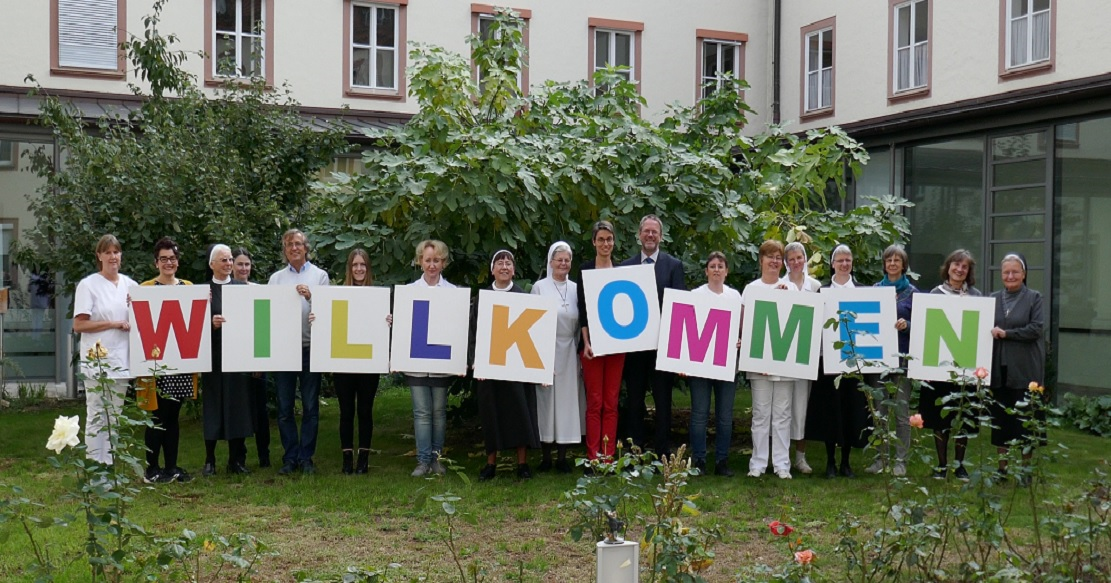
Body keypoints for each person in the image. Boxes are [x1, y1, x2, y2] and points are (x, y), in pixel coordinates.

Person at [619, 214, 686, 456]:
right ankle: (634, 450)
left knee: (663, 402)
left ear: (660, 236)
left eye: (654, 232)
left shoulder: (673, 266)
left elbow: (680, 309)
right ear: (639, 235)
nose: (650, 235)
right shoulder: (624, 267)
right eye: (646, 231)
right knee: (634, 400)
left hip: (662, 347)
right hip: (635, 348)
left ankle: (663, 452)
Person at [805, 244, 872, 478]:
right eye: (840, 260)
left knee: (850, 410)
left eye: (848, 260)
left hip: (854, 364)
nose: (845, 264)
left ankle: (846, 462)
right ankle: (830, 462)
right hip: (828, 362)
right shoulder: (821, 292)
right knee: (830, 412)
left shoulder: (865, 291)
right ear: (832, 263)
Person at [474, 250, 540, 481]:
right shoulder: (482, 299)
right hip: (489, 369)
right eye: (499, 262)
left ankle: (522, 464)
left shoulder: (524, 298)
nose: (504, 266)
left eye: (508, 262)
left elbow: (534, 334)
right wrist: (478, 363)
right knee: (490, 413)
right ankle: (490, 464)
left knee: (519, 413)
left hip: (517, 366)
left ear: (513, 269)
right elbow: (475, 332)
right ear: (492, 269)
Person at [268, 229, 330, 475]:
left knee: (310, 407)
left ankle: (306, 458)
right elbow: (269, 313)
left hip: (310, 348)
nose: (294, 248)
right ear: (285, 250)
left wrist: (312, 296)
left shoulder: (320, 276)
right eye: (289, 244)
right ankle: (289, 457)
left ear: (306, 248)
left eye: (298, 244)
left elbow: (328, 312)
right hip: (283, 350)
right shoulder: (276, 279)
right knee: (284, 408)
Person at [73, 234, 137, 465]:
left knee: (115, 416)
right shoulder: (88, 285)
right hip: (97, 360)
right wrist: (113, 323)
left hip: (122, 360)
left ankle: (108, 467)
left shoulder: (131, 285)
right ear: (99, 256)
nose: (113, 257)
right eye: (107, 252)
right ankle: (94, 466)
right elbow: (79, 324)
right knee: (97, 415)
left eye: (116, 252)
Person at [138, 237, 197, 483]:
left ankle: (171, 467)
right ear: (156, 263)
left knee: (173, 417)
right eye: (163, 259)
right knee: (156, 416)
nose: (168, 263)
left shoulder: (188, 286)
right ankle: (152, 468)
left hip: (180, 365)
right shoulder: (145, 289)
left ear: (178, 261)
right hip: (154, 366)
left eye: (172, 258)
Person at [924, 249, 982, 480]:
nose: (959, 269)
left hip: (966, 368)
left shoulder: (976, 297)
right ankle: (941, 465)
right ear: (948, 267)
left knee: (963, 417)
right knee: (940, 419)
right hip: (939, 367)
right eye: (956, 265)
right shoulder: (934, 294)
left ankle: (960, 466)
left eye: (964, 266)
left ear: (968, 271)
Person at [741, 240, 795, 479]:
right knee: (761, 413)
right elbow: (745, 325)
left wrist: (787, 299)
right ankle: (758, 463)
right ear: (761, 260)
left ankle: (782, 464)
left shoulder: (791, 288)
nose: (774, 261)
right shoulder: (751, 289)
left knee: (783, 413)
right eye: (769, 257)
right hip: (758, 362)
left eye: (778, 257)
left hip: (784, 361)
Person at [989, 253, 1045, 485]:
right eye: (1006, 272)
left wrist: (1007, 334)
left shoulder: (1034, 298)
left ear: (1024, 274)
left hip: (1025, 369)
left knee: (1024, 423)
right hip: (999, 369)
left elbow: (1036, 329)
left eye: (1015, 272)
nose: (1010, 276)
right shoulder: (992, 298)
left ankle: (1025, 472)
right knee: (1001, 421)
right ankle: (1002, 470)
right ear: (1001, 275)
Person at [532, 241, 586, 473]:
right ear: (551, 262)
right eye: (559, 260)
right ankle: (546, 456)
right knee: (546, 403)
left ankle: (563, 457)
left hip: (569, 350)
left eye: (567, 260)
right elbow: (532, 322)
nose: (563, 264)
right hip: (547, 349)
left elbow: (582, 321)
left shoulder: (576, 288)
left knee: (566, 403)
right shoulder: (539, 287)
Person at [865, 244, 918, 477]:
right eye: (889, 260)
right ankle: (881, 458)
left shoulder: (913, 293)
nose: (893, 264)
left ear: (903, 264)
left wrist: (907, 325)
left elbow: (924, 325)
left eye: (897, 260)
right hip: (879, 359)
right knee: (880, 411)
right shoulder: (875, 289)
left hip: (902, 359)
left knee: (902, 411)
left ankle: (901, 460)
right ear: (884, 264)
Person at [687, 252, 741, 477]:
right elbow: (687, 329)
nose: (717, 269)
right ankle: (698, 460)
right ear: (706, 271)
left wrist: (740, 339)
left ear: (727, 271)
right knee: (699, 413)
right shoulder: (695, 294)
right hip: (700, 364)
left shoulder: (735, 296)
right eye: (713, 266)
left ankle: (722, 461)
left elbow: (740, 327)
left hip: (727, 362)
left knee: (725, 416)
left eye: (721, 266)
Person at [576, 220, 624, 466]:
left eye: (609, 239)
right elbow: (583, 310)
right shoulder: (585, 270)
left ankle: (608, 457)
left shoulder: (623, 271)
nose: (606, 243)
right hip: (592, 346)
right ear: (594, 242)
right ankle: (592, 456)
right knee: (594, 402)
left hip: (616, 345)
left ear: (613, 242)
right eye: (601, 239)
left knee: (611, 402)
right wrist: (586, 343)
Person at [201, 244, 252, 476]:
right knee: (213, 406)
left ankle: (236, 460)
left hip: (238, 357)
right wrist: (210, 324)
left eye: (230, 259)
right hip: (212, 357)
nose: (229, 264)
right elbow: (192, 327)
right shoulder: (203, 291)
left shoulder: (243, 288)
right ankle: (209, 459)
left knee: (237, 406)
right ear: (212, 264)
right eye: (224, 260)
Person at [405, 239, 455, 477]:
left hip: (441, 364)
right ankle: (423, 460)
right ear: (420, 262)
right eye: (428, 260)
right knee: (421, 413)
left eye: (436, 260)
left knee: (438, 412)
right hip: (416, 364)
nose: (432, 265)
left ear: (443, 263)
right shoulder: (409, 292)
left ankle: (437, 459)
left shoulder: (453, 293)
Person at [334, 249, 382, 475]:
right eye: (355, 265)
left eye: (362, 265)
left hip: (368, 363)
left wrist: (387, 320)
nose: (359, 269)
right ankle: (346, 459)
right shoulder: (338, 295)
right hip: (343, 363)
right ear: (349, 268)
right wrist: (318, 318)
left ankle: (363, 459)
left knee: (365, 411)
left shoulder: (377, 296)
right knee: (345, 412)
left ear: (368, 268)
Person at [783, 242, 821, 475]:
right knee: (782, 407)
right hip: (783, 354)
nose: (796, 262)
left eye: (800, 257)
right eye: (792, 259)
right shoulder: (780, 285)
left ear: (805, 259)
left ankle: (800, 457)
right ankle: (781, 456)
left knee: (801, 407)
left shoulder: (815, 286)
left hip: (806, 356)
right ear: (786, 263)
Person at [231, 246, 271, 468]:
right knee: (239, 409)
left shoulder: (259, 290)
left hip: (256, 360)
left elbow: (263, 328)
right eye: (240, 264)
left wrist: (259, 362)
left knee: (260, 410)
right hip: (234, 361)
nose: (244, 268)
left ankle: (264, 455)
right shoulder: (226, 291)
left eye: (247, 264)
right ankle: (240, 455)